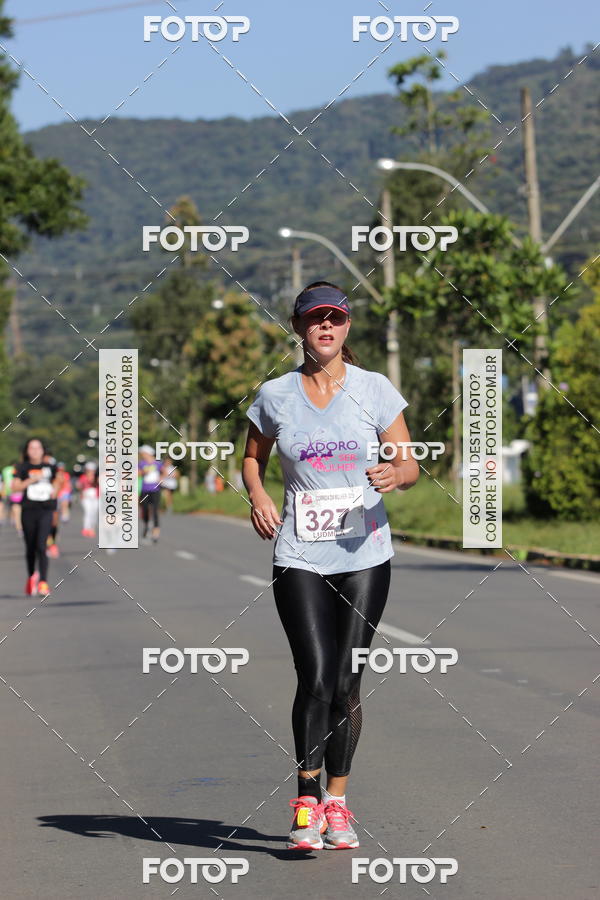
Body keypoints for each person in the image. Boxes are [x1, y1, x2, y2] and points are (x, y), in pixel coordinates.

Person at [243, 281, 419, 851]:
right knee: (315, 677)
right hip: (299, 552)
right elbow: (252, 457)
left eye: (335, 319)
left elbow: (407, 462)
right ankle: (304, 799)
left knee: (347, 682)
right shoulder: (275, 395)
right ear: (298, 328)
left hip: (365, 553)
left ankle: (336, 804)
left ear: (347, 328)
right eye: (315, 319)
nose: (326, 327)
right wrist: (259, 496)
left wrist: (396, 475)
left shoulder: (374, 389)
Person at [11, 437, 63, 596]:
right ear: (27, 451)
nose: (35, 451)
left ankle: (43, 582)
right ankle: (32, 575)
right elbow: (14, 487)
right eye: (31, 448)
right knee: (30, 548)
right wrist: (31, 480)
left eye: (38, 448)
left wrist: (55, 488)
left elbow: (59, 481)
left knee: (41, 545)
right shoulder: (21, 467)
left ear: (42, 450)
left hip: (45, 509)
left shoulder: (51, 466)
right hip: (29, 510)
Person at [138, 445, 163, 543]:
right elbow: (137, 473)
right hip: (144, 490)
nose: (142, 455)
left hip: (155, 490)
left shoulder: (158, 463)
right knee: (144, 510)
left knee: (155, 511)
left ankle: (155, 533)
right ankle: (147, 525)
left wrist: (161, 478)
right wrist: (144, 472)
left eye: (143, 453)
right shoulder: (141, 463)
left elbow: (164, 472)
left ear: (148, 453)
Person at [77, 462, 99, 537]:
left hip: (96, 497)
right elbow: (79, 486)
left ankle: (92, 528)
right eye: (89, 470)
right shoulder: (83, 477)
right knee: (88, 512)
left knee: (94, 513)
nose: (90, 472)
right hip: (86, 497)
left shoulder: (97, 477)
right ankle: (86, 528)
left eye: (92, 470)